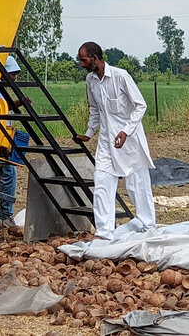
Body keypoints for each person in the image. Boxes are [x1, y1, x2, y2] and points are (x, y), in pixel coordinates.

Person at [73, 41, 156, 239]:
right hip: (106, 142)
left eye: (83, 60)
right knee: (101, 182)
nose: (81, 64)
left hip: (130, 142)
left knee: (136, 185)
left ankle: (148, 226)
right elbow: (94, 109)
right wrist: (89, 132)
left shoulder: (120, 76)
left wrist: (126, 131)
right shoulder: (90, 81)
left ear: (95, 57)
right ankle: (104, 232)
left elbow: (140, 105)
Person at [0, 56, 23, 229]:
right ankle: (4, 215)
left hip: (0, 140)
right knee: (9, 175)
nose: (15, 78)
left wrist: (18, 103)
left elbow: (4, 107)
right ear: (2, 72)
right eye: (12, 74)